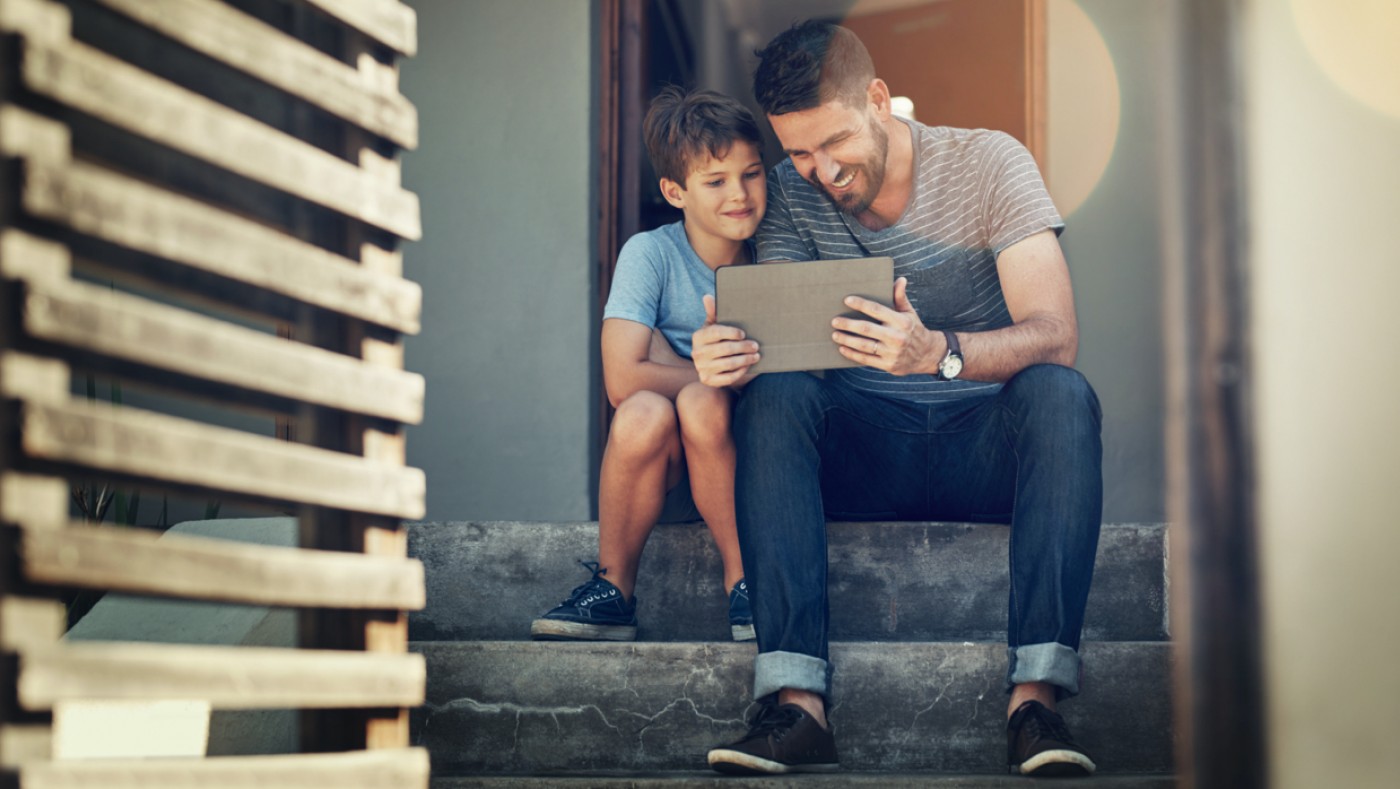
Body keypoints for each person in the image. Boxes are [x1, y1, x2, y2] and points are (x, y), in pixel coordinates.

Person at [694, 21, 1103, 777]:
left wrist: (938, 352)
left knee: (1061, 391)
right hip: (864, 448)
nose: (819, 170)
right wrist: (733, 353)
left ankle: (1035, 702)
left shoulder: (989, 162)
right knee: (775, 393)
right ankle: (796, 704)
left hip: (983, 445)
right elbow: (782, 348)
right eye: (800, 152)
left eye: (833, 144)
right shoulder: (788, 192)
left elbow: (1057, 331)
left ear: (878, 100)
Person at [530, 86, 766, 643]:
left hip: (749, 464)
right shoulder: (651, 253)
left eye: (752, 174)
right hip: (665, 475)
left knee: (701, 400)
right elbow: (621, 379)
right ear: (674, 191)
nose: (740, 194)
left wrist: (669, 360)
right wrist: (724, 373)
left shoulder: (776, 247)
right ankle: (614, 591)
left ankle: (749, 585)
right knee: (643, 410)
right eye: (715, 181)